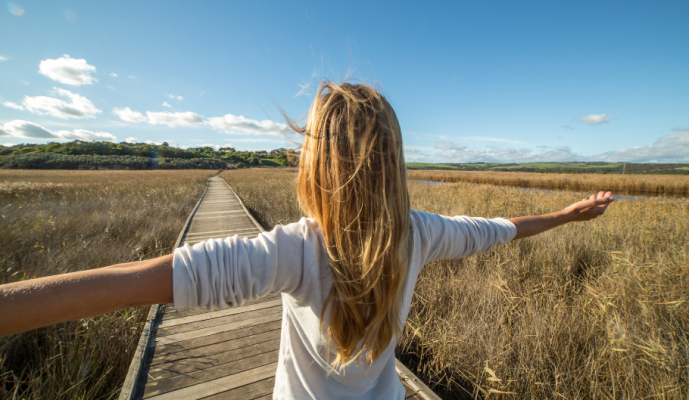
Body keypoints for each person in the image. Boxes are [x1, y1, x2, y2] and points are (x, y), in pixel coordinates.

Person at [0, 82, 614, 399]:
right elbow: (498, 233)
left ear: (316, 169)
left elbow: (132, 284)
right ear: (394, 164)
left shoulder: (290, 251)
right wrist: (567, 215)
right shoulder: (421, 234)